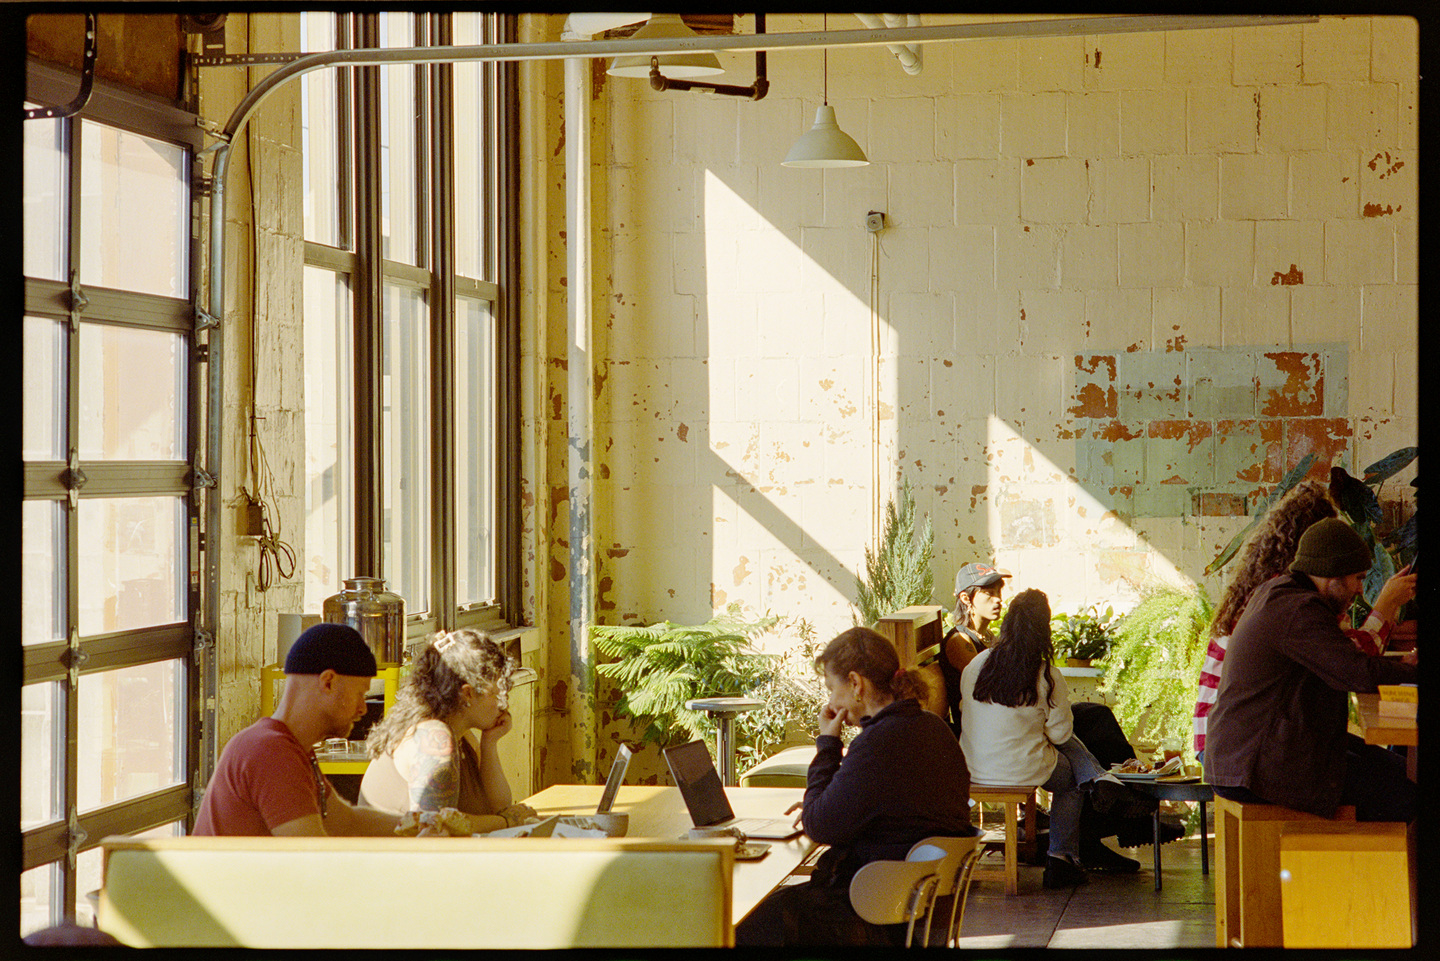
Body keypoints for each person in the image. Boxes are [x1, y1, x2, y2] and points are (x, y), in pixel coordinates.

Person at [735, 627, 977, 947]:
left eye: (831, 688)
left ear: (855, 683)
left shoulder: (878, 744)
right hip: (916, 911)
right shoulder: (934, 729)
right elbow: (874, 803)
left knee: (741, 926)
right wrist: (824, 799)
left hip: (868, 917)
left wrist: (828, 744)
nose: (831, 702)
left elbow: (820, 826)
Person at [940, 561, 1156, 871]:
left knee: (1095, 716)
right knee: (1072, 754)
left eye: (999, 592)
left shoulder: (983, 657)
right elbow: (1026, 718)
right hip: (1002, 745)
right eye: (989, 592)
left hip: (985, 751)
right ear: (966, 598)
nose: (997, 599)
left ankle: (1106, 792)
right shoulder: (966, 646)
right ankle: (1079, 831)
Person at [1205, 517, 1418, 821]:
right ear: (1333, 576)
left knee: (1405, 773)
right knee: (1409, 797)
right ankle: (1373, 868)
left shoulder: (1280, 593)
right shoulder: (1299, 609)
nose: (1360, 590)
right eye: (1357, 578)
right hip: (1257, 767)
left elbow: (1346, 660)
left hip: (1251, 756)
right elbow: (1357, 673)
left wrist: (1400, 667)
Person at [1194, 481, 1413, 760]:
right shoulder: (1292, 602)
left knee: (1392, 770)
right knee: (1397, 782)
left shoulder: (1273, 589)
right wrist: (1386, 604)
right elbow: (1352, 664)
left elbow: (1343, 658)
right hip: (1244, 747)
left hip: (1234, 738)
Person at [194, 623, 400, 836]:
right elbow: (310, 859)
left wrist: (422, 824)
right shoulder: (272, 752)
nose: (363, 709)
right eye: (360, 694)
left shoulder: (292, 748)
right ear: (328, 682)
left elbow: (346, 822)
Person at [359, 628, 536, 833]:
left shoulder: (461, 734)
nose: (503, 705)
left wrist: (490, 743)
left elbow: (500, 806)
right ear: (467, 694)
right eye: (496, 694)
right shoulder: (434, 738)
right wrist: (507, 822)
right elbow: (437, 828)